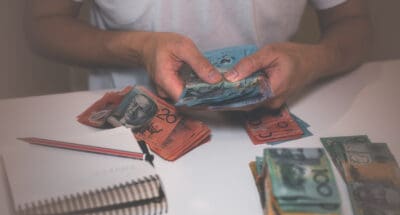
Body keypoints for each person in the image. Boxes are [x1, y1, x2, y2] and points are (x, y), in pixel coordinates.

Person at [24, 0, 372, 110]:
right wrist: (139, 49)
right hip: (128, 137)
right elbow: (42, 24)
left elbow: (352, 21)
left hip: (276, 118)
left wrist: (314, 59)